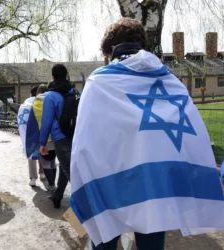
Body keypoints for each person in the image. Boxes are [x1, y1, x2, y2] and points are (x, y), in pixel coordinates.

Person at [70, 18, 224, 250]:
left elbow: (83, 143)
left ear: (110, 50)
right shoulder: (171, 82)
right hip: (154, 187)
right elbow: (191, 139)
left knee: (104, 239)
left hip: (109, 185)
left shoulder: (99, 82)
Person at [39, 64, 75, 208]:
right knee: (65, 167)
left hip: (60, 137)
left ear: (52, 77)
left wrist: (42, 143)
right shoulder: (74, 92)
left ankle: (89, 204)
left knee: (69, 170)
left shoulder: (51, 96)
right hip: (74, 134)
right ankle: (57, 196)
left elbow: (46, 121)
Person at [18, 86, 46, 187]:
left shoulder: (24, 105)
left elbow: (20, 119)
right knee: (42, 152)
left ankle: (33, 177)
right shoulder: (41, 103)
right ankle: (42, 172)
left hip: (29, 133)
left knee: (31, 153)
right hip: (40, 131)